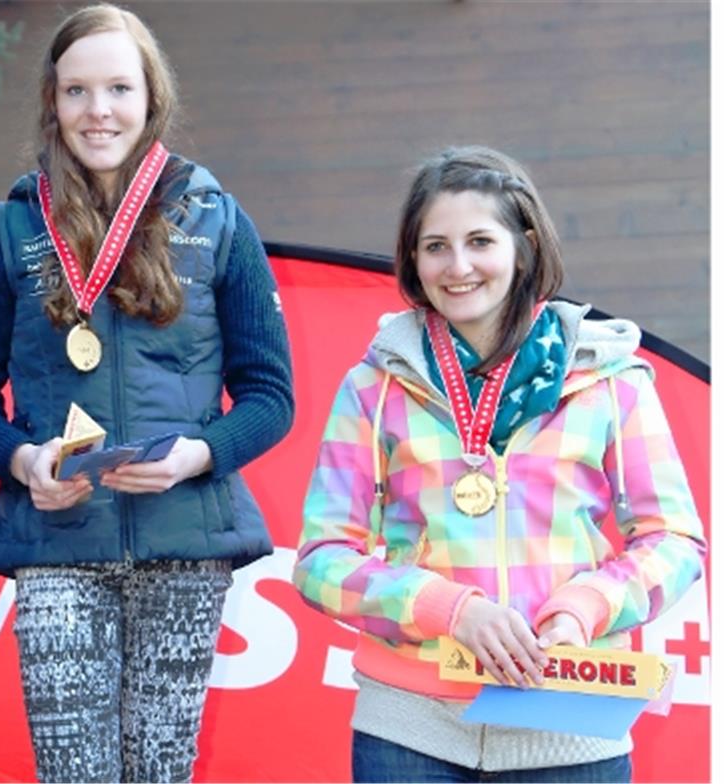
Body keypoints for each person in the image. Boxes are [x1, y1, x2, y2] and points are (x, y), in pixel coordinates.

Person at [0, 5, 294, 782]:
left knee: (159, 773)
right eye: (77, 92)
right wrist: (25, 460)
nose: (98, 111)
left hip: (184, 544)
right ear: (53, 103)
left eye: (118, 89)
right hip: (56, 548)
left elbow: (271, 396)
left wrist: (198, 456)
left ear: (150, 97)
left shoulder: (219, 221)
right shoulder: (8, 230)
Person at [292, 145, 706, 783]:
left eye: (479, 241)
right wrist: (449, 609)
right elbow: (321, 560)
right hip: (409, 731)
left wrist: (585, 607)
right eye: (435, 247)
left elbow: (675, 540)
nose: (457, 267)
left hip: (570, 727)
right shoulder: (372, 387)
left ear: (525, 244)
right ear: (413, 258)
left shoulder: (609, 379)